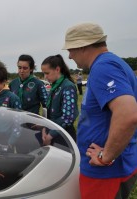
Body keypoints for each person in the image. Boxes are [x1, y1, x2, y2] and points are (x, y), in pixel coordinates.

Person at [63, 22, 137, 199]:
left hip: (105, 171)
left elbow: (128, 114)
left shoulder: (103, 67)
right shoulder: (114, 63)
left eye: (71, 49)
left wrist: (106, 156)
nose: (70, 55)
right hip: (116, 166)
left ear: (82, 46)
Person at [40, 54, 79, 145]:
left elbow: (68, 117)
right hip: (51, 132)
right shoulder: (55, 86)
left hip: (63, 136)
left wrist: (50, 135)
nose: (45, 77)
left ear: (57, 69)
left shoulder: (67, 86)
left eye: (47, 73)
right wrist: (44, 129)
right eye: (43, 73)